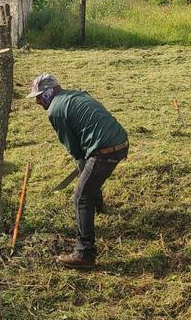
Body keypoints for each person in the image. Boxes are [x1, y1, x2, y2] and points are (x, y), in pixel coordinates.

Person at [27, 73, 128, 269]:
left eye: (39, 97)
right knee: (89, 180)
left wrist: (82, 164)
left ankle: (85, 253)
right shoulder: (76, 94)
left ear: (48, 93)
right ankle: (99, 207)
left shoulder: (55, 110)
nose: (37, 102)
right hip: (121, 141)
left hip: (104, 150)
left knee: (81, 197)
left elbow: (75, 150)